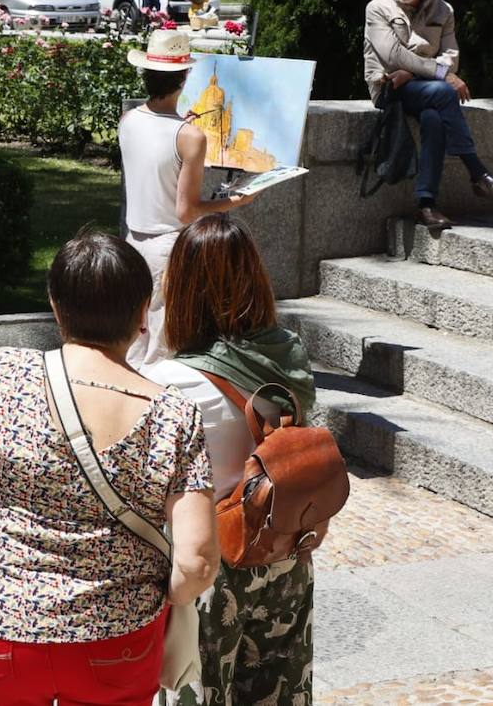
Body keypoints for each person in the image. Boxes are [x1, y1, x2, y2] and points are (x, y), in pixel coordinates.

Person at [0, 229, 218, 706]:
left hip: (0, 622)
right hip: (116, 636)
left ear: (56, 308)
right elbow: (197, 561)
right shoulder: (173, 415)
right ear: (143, 314)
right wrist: (167, 601)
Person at [143, 214, 320, 706]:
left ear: (180, 289)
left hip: (207, 564)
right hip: (283, 553)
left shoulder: (166, 382)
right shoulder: (287, 360)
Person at [120, 30, 255, 368]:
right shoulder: (190, 137)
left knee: (134, 342)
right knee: (161, 350)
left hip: (132, 241)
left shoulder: (129, 120)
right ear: (183, 79)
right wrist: (234, 201)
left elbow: (157, 152)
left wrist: (182, 126)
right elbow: (186, 211)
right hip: (168, 247)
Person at [362, 0, 493, 231]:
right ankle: (477, 172)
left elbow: (451, 57)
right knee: (444, 92)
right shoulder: (377, 8)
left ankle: (426, 205)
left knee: (433, 118)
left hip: (421, 87)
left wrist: (416, 70)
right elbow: (392, 56)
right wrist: (441, 73)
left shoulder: (443, 10)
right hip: (389, 88)